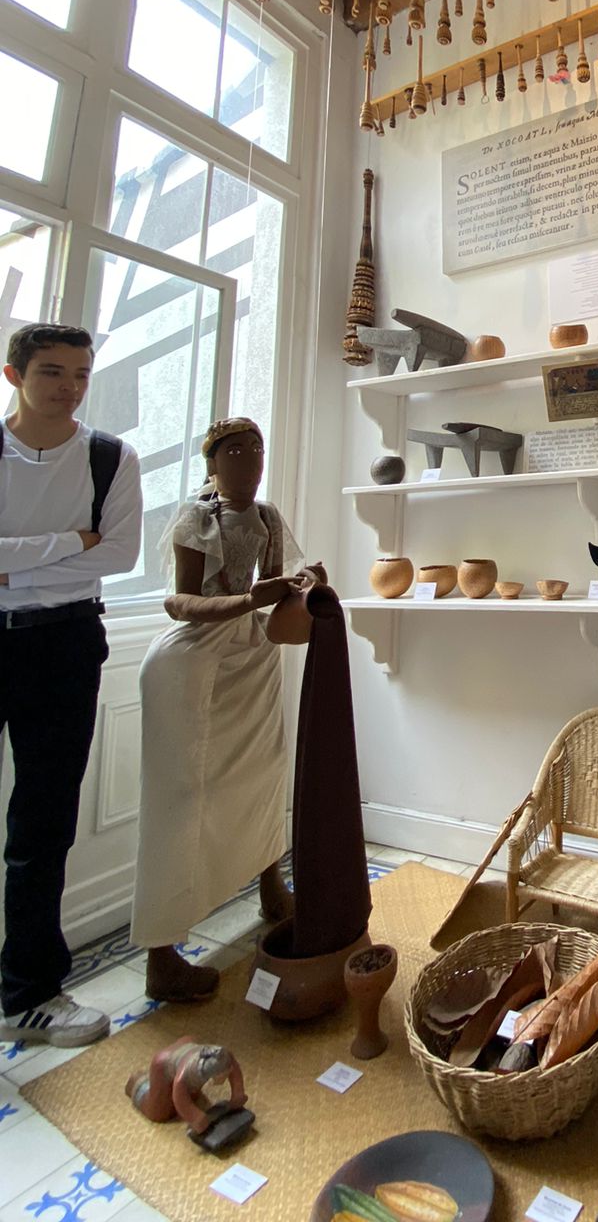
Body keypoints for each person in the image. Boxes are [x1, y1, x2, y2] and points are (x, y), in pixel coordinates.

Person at [131, 417, 315, 1003]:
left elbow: (278, 584)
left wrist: (301, 584)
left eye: (257, 448)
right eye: (235, 450)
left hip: (252, 655)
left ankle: (269, 881)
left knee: (261, 771)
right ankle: (163, 954)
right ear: (213, 462)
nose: (250, 459)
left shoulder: (267, 518)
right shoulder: (196, 518)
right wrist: (244, 600)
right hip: (195, 660)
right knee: (183, 797)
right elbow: (178, 601)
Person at [0, 325, 142, 1047]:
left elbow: (118, 554)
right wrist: (68, 544)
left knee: (43, 820)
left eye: (81, 373)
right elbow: (89, 549)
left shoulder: (110, 456)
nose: (69, 386)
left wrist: (14, 563)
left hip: (65, 641)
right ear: (13, 373)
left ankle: (27, 994)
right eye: (52, 371)